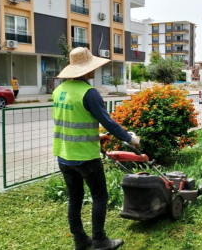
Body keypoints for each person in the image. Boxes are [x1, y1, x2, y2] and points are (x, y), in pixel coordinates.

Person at [53, 47, 139, 250]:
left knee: (74, 199)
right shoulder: (89, 93)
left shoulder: (59, 91)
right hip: (85, 156)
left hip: (64, 155)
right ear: (86, 70)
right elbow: (108, 122)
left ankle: (80, 241)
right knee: (100, 196)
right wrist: (130, 138)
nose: (95, 70)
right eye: (92, 67)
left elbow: (71, 120)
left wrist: (95, 135)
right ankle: (100, 241)